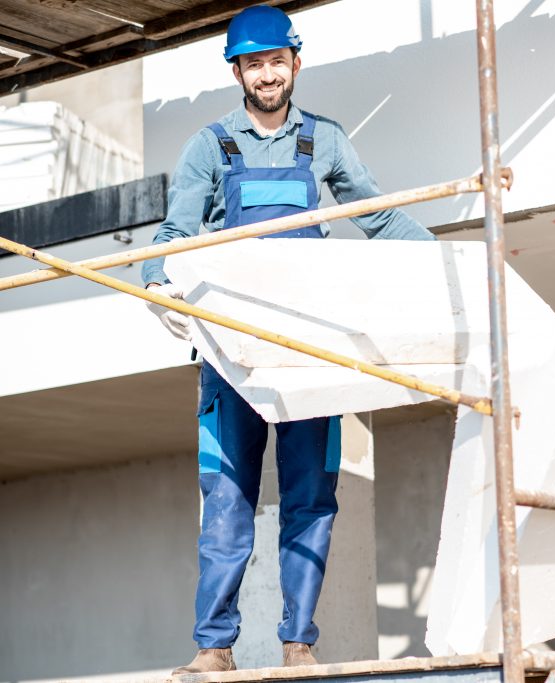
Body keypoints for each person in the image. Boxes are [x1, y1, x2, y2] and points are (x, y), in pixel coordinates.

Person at [142, 5, 435, 675]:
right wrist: (161, 288)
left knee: (311, 500)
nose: (266, 74)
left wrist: (450, 264)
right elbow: (170, 240)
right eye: (253, 64)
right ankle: (214, 647)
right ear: (237, 71)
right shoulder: (209, 146)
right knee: (227, 501)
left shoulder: (325, 143)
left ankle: (299, 642)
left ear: (295, 64)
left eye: (276, 61)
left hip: (306, 354)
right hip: (232, 354)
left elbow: (379, 218)